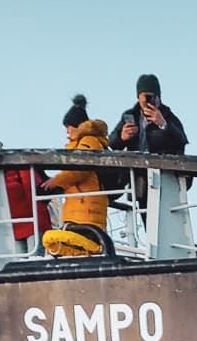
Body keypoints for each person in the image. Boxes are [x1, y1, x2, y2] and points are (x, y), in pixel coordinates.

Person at [38, 95, 115, 257]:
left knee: (76, 243)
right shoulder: (83, 142)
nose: (67, 133)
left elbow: (80, 168)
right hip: (80, 209)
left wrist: (56, 182)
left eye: (68, 128)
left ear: (77, 127)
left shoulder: (89, 141)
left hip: (86, 210)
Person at [109, 74, 188, 157]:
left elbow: (181, 142)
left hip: (162, 167)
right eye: (147, 97)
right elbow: (111, 144)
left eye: (155, 96)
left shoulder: (167, 115)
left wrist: (164, 125)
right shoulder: (130, 115)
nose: (151, 100)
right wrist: (121, 138)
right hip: (136, 167)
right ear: (139, 97)